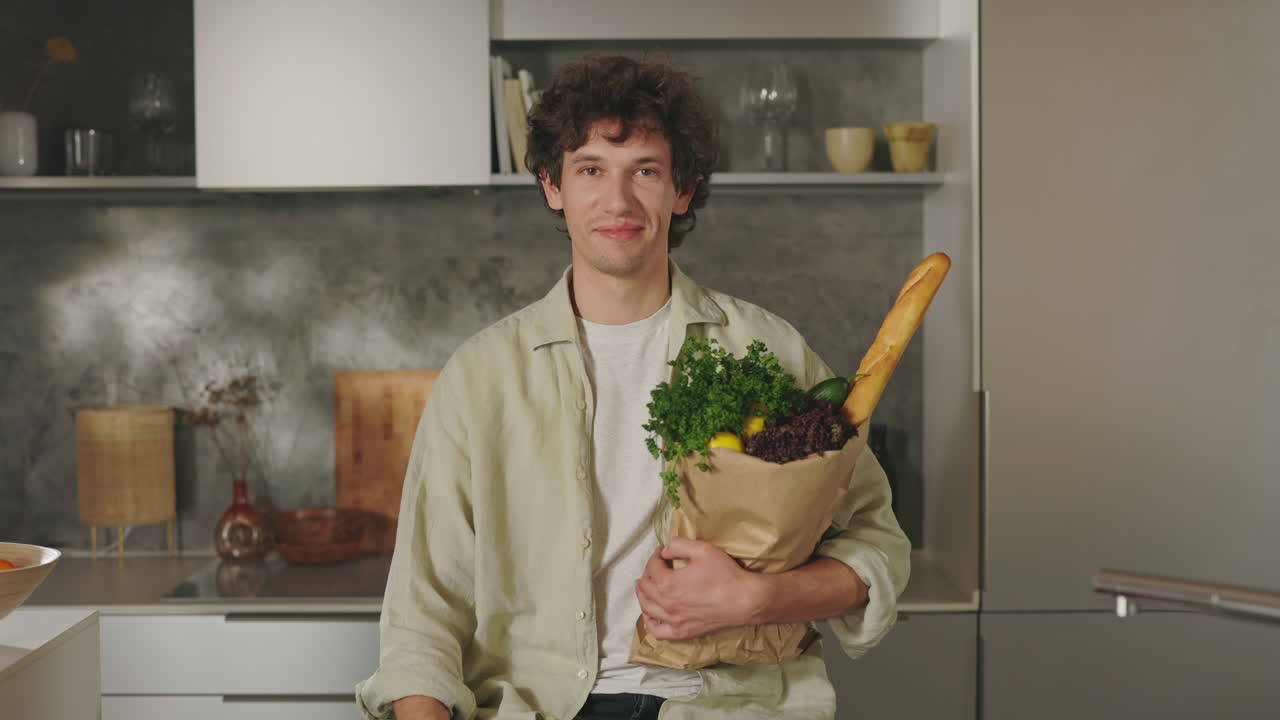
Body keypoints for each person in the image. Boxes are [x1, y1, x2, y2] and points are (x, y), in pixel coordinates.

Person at [356, 54, 910, 720]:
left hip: (726, 704)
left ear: (681, 190)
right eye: (590, 170)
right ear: (551, 185)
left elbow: (876, 547)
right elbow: (421, 620)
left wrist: (757, 599)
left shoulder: (770, 352)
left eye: (644, 171)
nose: (617, 202)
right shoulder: (481, 377)